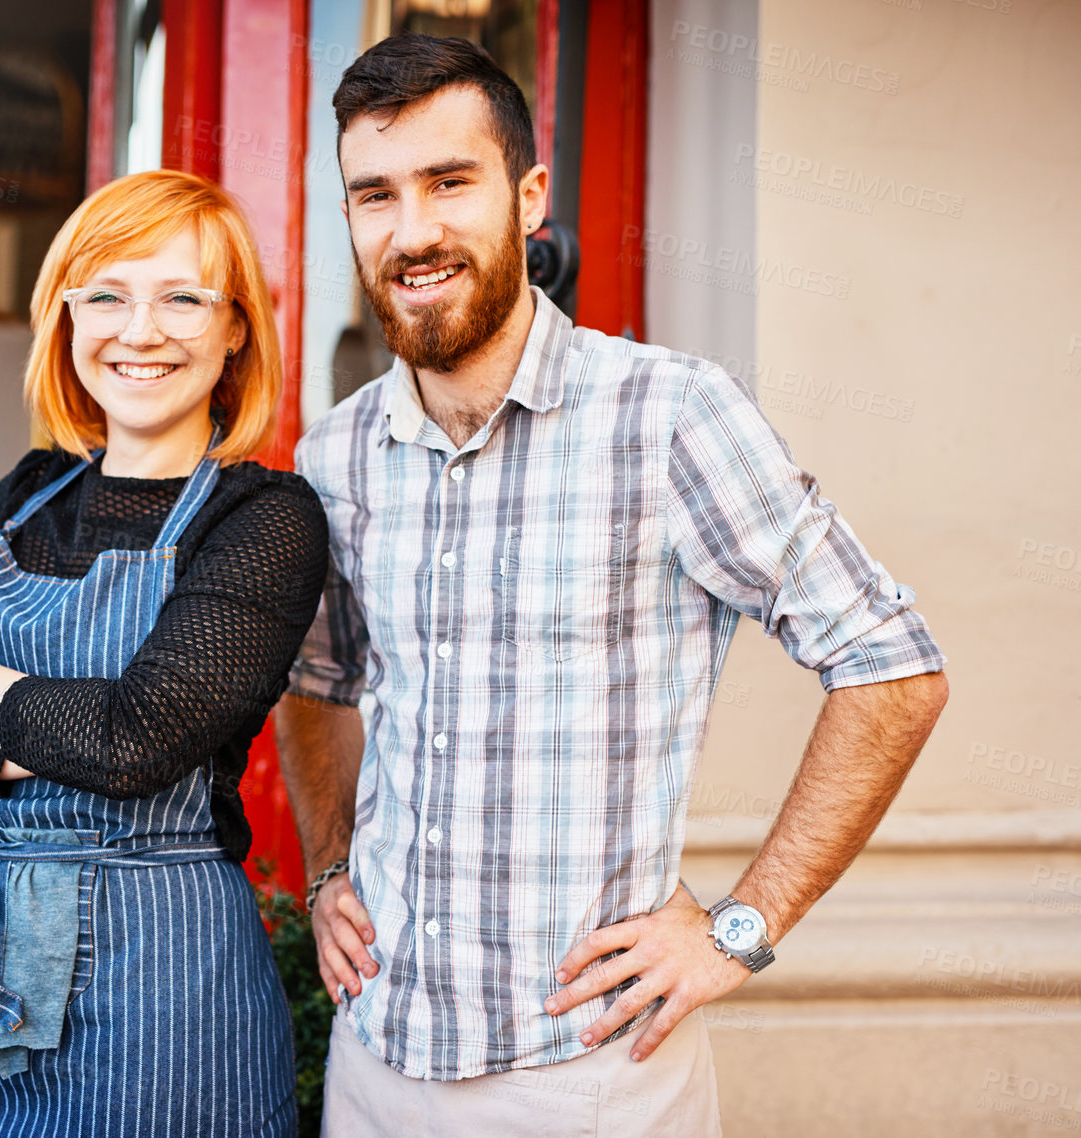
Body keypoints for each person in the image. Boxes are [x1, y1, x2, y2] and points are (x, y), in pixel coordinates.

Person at [274, 34, 949, 1136]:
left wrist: (737, 926)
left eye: (450, 182)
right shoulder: (334, 456)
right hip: (375, 1065)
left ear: (529, 196)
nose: (413, 231)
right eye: (375, 195)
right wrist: (326, 867)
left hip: (587, 1081)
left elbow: (892, 665)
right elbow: (317, 675)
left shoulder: (670, 416)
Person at [0, 169, 327, 1138]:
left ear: (235, 327)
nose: (138, 330)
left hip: (165, 987)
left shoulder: (266, 516)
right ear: (65, 317)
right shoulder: (30, 490)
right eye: (105, 294)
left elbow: (134, 745)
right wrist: (74, 731)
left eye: (182, 297)